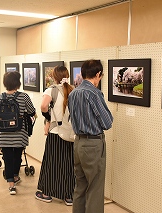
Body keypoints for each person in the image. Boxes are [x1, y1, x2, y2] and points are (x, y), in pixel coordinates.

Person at [68, 60, 113, 213]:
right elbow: (107, 122)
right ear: (98, 74)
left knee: (80, 186)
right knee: (95, 188)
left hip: (78, 143)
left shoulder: (73, 93)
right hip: (93, 145)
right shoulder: (94, 93)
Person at [35, 66, 75, 206]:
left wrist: (48, 117)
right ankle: (69, 196)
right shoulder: (73, 90)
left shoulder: (51, 90)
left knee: (52, 163)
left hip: (55, 132)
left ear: (54, 76)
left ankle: (47, 193)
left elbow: (43, 106)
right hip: (70, 133)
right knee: (69, 164)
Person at [0, 71, 36, 195]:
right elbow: (31, 111)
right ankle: (15, 176)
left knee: (7, 159)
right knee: (17, 156)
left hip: (4, 134)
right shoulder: (23, 97)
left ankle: (11, 185)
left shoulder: (0, 98)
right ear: (17, 83)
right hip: (19, 133)